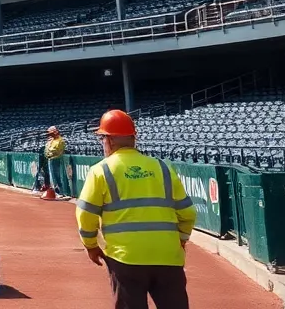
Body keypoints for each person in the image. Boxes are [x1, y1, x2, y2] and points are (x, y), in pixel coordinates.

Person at [76, 110, 196, 309]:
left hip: (125, 258)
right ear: (133, 138)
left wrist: (91, 245)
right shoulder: (163, 167)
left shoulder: (101, 170)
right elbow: (188, 213)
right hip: (168, 256)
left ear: (109, 140)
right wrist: (181, 240)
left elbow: (86, 214)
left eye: (102, 138)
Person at [45, 126, 72, 200]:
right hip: (51, 159)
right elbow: (47, 150)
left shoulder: (60, 141)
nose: (49, 134)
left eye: (51, 132)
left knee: (56, 176)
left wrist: (50, 152)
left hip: (56, 159)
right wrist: (49, 151)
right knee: (53, 177)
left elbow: (57, 152)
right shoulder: (51, 141)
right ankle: (57, 192)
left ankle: (60, 192)